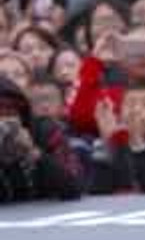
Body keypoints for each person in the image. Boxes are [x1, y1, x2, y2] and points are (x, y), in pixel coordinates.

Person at [0, 75, 83, 203]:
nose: (5, 118)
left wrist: (34, 152)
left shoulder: (44, 130)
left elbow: (74, 186)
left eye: (11, 109)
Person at [89, 83, 145, 194]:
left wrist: (139, 142)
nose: (136, 110)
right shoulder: (113, 150)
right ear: (120, 115)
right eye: (130, 104)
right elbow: (97, 192)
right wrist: (105, 140)